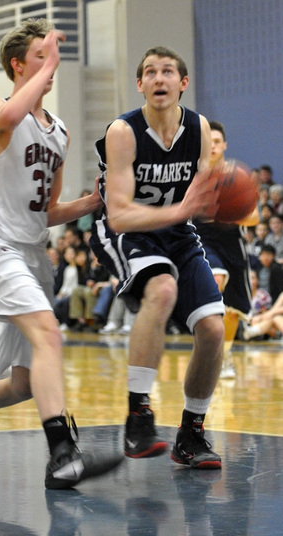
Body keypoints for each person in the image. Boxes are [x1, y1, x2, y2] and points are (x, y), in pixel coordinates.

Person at [0, 18, 122, 490]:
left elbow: (44, 212)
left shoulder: (60, 133)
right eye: (40, 58)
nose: (51, 67)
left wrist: (90, 204)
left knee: (24, 383)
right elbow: (5, 119)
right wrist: (45, 67)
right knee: (49, 332)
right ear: (17, 66)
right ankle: (62, 455)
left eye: (52, 59)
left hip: (32, 255)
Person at [90, 46, 225, 469]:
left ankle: (191, 434)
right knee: (163, 288)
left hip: (176, 232)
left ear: (183, 83)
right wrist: (182, 211)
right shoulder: (123, 131)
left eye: (168, 71)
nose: (159, 78)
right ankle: (138, 414)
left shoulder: (198, 127)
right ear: (140, 84)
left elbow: (203, 193)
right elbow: (119, 212)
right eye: (150, 72)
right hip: (126, 230)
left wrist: (225, 196)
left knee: (213, 329)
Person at [193, 122, 259, 378]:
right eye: (209, 141)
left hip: (233, 242)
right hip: (203, 238)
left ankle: (224, 356)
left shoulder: (239, 177)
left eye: (217, 141)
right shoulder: (192, 175)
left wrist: (230, 211)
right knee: (216, 278)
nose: (213, 146)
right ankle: (205, 345)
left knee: (233, 310)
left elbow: (254, 218)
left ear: (224, 146)